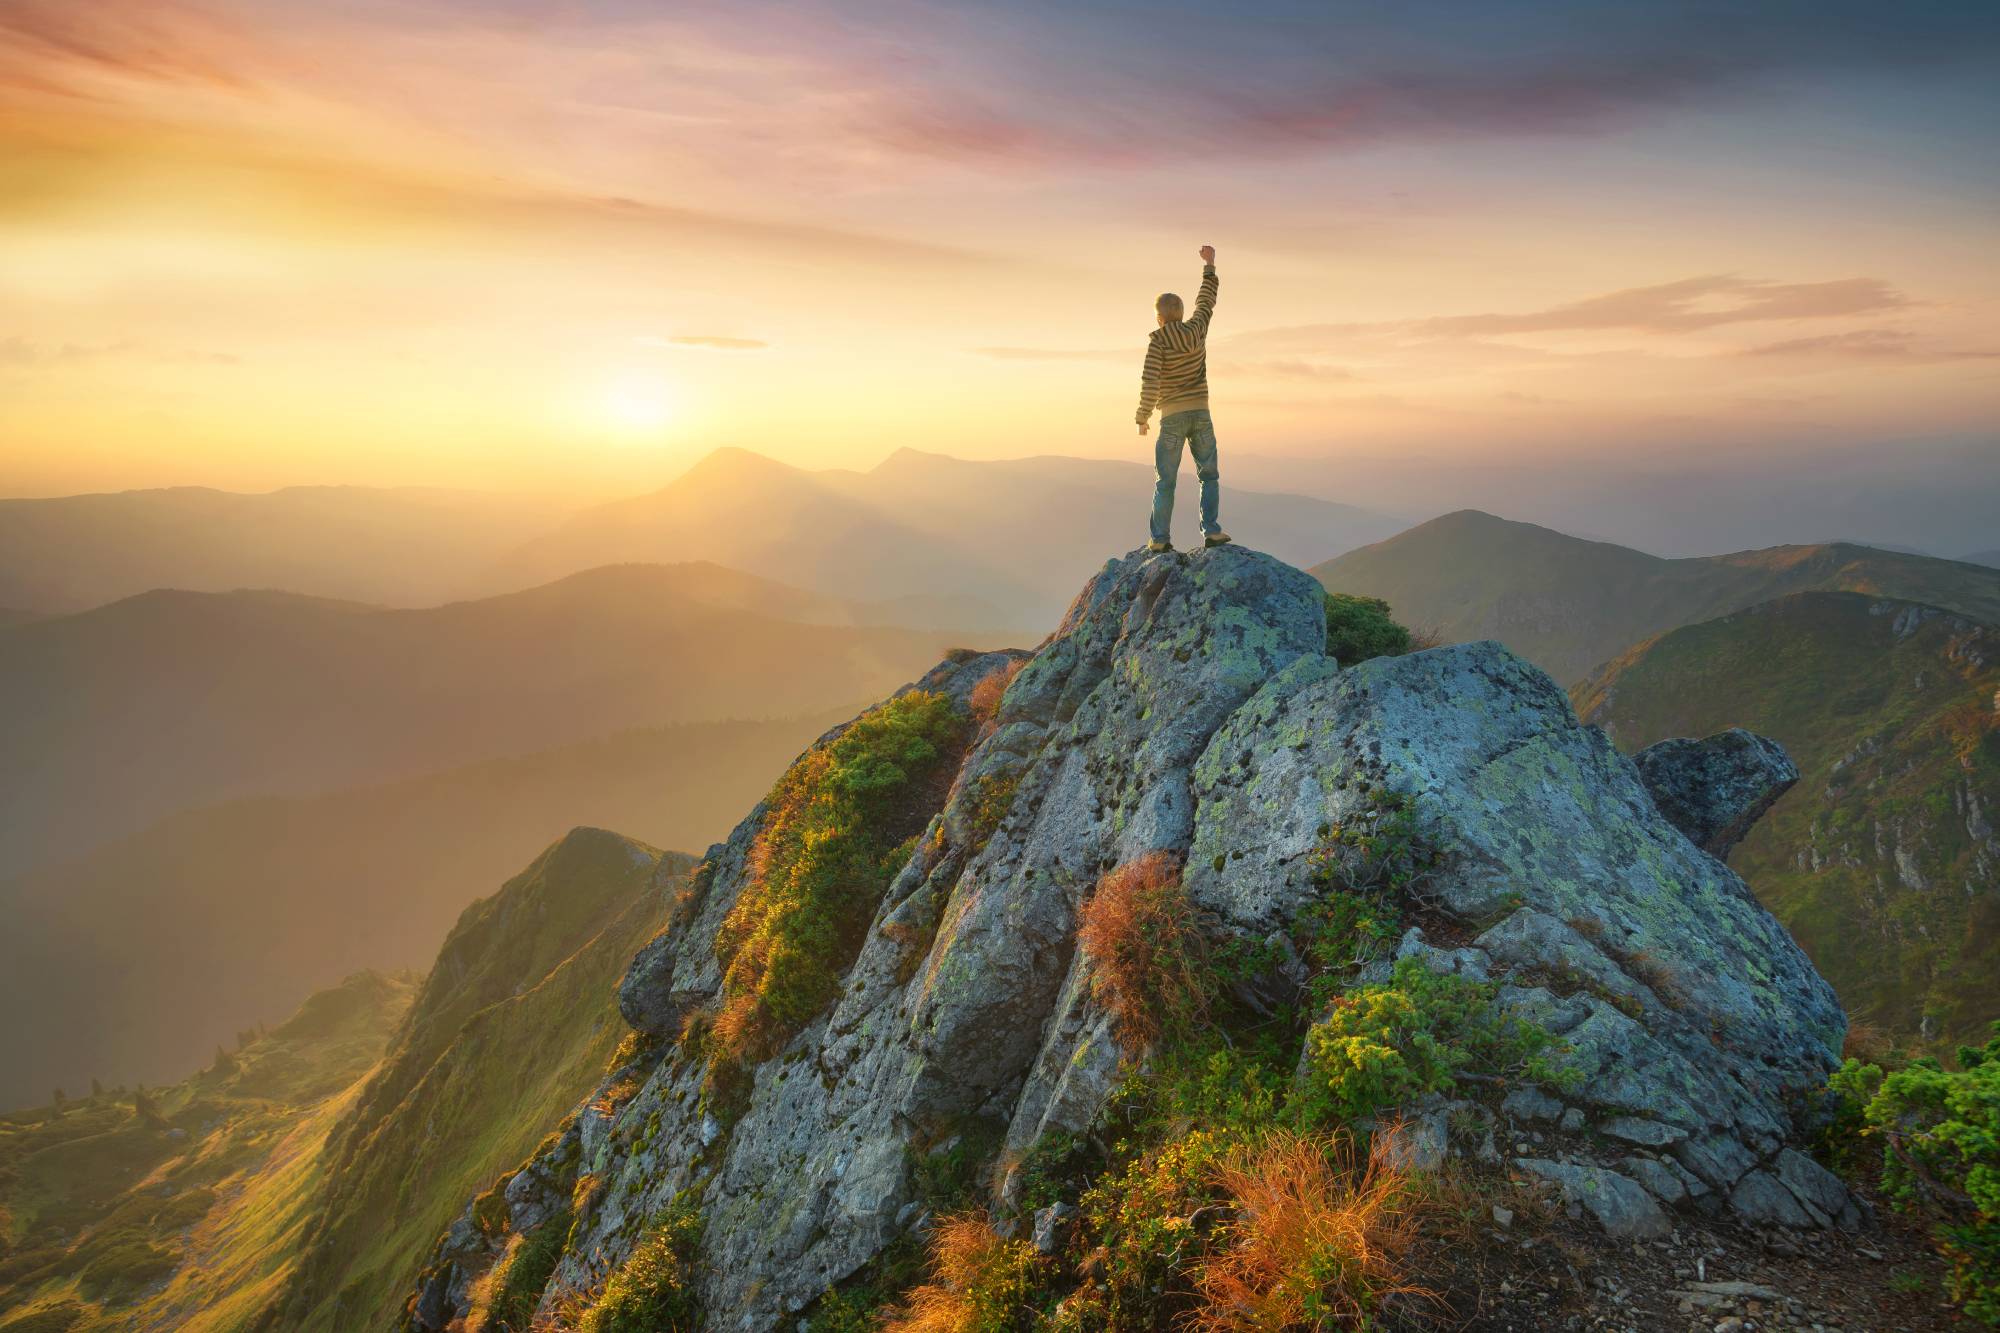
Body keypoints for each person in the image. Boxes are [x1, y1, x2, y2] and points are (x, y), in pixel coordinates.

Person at [1134, 244, 1229, 553]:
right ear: (1182, 314)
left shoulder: (1158, 343)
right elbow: (1207, 301)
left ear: (1159, 317)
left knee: (1166, 482)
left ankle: (1160, 539)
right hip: (1201, 414)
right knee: (1209, 475)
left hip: (1172, 418)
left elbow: (1151, 380)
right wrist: (1209, 265)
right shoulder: (1198, 329)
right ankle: (1211, 530)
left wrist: (1142, 416)